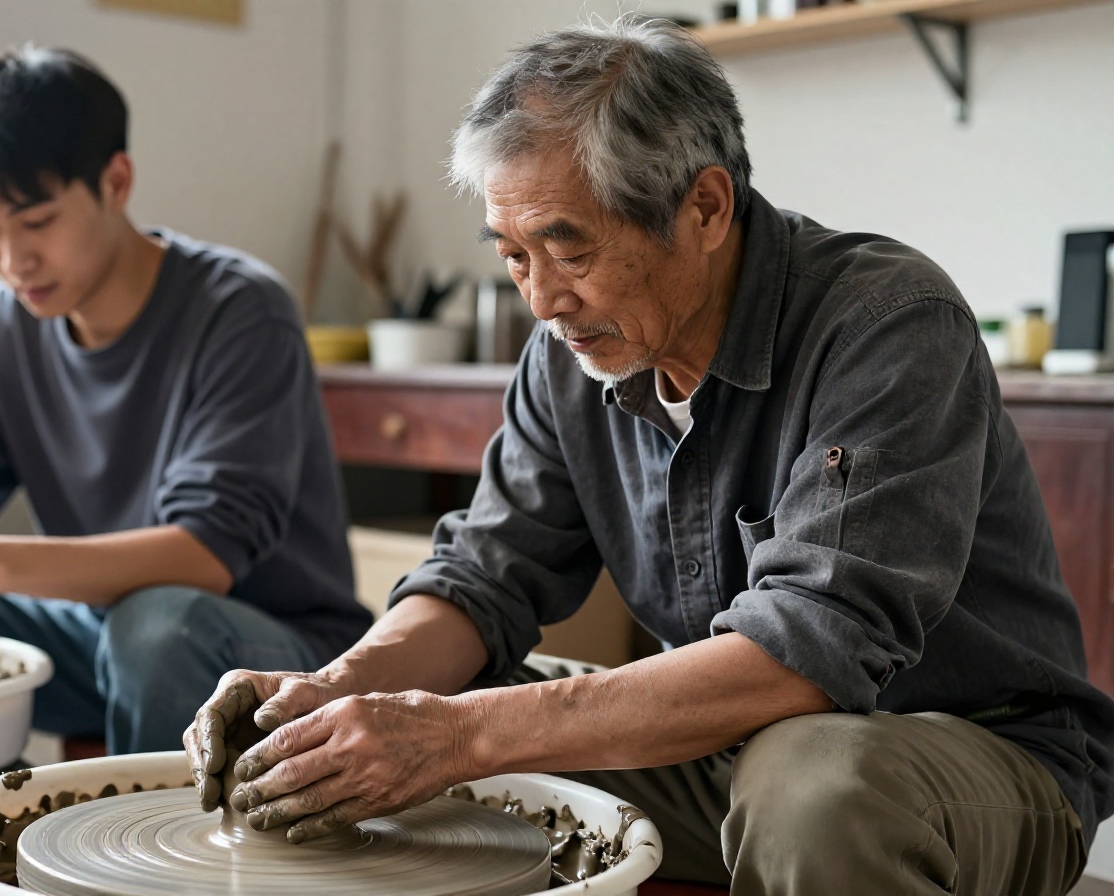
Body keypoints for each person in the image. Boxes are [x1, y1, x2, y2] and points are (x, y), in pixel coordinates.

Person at [185, 17, 1113, 894]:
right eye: (512, 256)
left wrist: (455, 735)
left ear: (705, 206)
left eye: (569, 247)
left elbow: (805, 656)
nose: (542, 299)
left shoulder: (887, 325)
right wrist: (337, 692)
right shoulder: (570, 355)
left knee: (811, 781)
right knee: (415, 708)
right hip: (730, 749)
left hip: (968, 755)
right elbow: (482, 577)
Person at [0, 47, 372, 754]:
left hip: (262, 649)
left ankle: (141, 859)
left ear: (116, 181)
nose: (11, 259)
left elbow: (206, 555)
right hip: (100, 631)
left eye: (36, 222)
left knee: (156, 626)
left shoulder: (241, 311)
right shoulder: (1, 328)